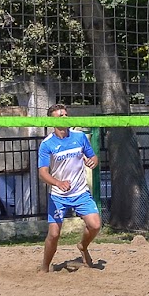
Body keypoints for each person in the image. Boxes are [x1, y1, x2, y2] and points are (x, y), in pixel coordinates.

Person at [38, 104, 101, 272]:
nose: (65, 118)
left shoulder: (80, 137)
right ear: (52, 120)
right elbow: (42, 173)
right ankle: (44, 268)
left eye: (66, 114)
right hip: (59, 195)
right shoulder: (47, 144)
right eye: (61, 116)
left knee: (95, 225)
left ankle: (82, 246)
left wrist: (93, 161)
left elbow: (93, 157)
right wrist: (58, 183)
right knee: (54, 234)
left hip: (80, 192)